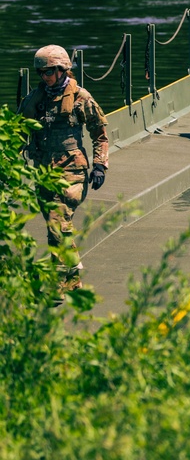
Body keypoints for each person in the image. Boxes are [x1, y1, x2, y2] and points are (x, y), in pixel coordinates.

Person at [17, 44, 109, 292]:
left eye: (48, 72)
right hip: (43, 172)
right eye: (41, 73)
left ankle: (56, 283)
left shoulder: (81, 97)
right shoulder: (36, 99)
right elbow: (18, 133)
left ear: (61, 69)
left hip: (72, 173)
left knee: (58, 223)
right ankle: (73, 281)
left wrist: (100, 165)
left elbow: (100, 134)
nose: (44, 78)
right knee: (55, 227)